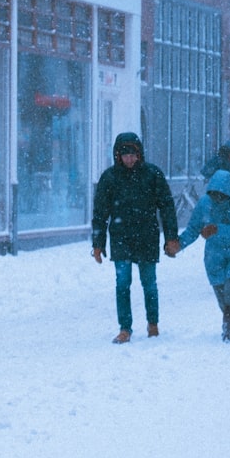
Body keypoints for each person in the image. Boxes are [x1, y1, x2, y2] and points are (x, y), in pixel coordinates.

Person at [91, 132, 179, 344]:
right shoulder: (109, 178)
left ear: (140, 154)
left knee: (149, 283)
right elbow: (100, 213)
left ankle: (153, 324)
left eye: (133, 155)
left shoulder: (152, 175)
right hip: (121, 239)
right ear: (118, 156)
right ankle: (125, 328)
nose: (129, 159)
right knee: (123, 284)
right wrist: (98, 243)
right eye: (125, 155)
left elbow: (167, 207)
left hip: (147, 237)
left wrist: (171, 237)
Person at [174, 170, 230, 343]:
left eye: (222, 195)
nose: (218, 199)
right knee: (222, 296)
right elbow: (194, 229)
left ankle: (227, 327)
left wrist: (217, 229)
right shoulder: (204, 204)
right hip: (214, 255)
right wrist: (179, 245)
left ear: (229, 193)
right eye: (214, 195)